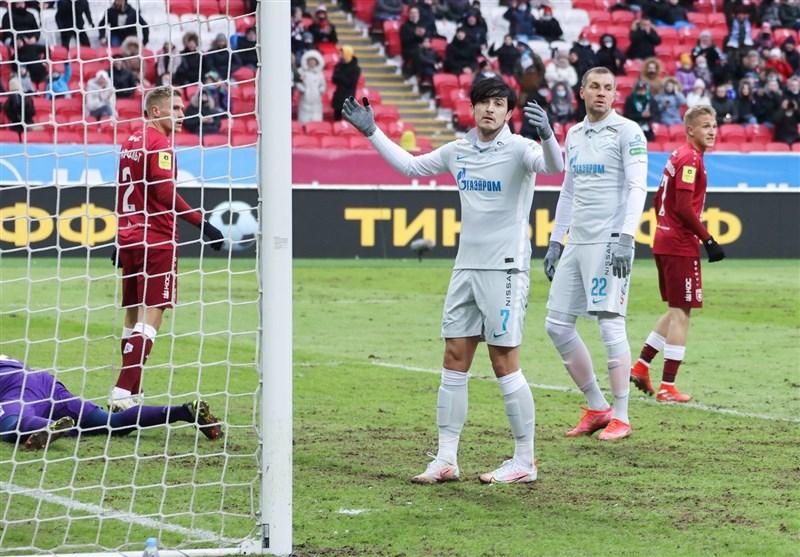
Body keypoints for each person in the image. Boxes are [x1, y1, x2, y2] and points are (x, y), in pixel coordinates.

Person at [342, 78, 564, 483]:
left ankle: (524, 460)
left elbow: (554, 167)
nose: (490, 109)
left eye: (498, 103)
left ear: (508, 112)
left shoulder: (520, 149)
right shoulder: (458, 150)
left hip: (505, 269)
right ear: (472, 107)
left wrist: (548, 135)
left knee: (503, 361)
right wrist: (372, 131)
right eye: (484, 102)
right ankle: (446, 459)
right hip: (466, 268)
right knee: (454, 357)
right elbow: (411, 167)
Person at [542, 66, 648, 442]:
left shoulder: (628, 132)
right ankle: (597, 406)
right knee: (556, 324)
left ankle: (622, 415)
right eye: (595, 87)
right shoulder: (573, 134)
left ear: (615, 94)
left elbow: (637, 187)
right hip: (577, 242)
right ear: (582, 92)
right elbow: (569, 190)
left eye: (608, 88)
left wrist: (626, 236)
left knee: (609, 323)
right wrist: (556, 240)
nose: (601, 93)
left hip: (610, 241)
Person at [109, 86, 224, 411]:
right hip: (157, 240)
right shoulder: (160, 144)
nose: (182, 114)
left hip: (131, 238)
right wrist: (202, 223)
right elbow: (162, 193)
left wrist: (120, 235)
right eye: (175, 108)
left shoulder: (130, 142)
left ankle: (133, 392)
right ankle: (122, 391)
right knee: (153, 314)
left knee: (133, 315)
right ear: (156, 111)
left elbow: (126, 190)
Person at [630, 106, 725, 403]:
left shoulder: (678, 155)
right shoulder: (690, 159)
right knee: (682, 313)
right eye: (706, 126)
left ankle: (641, 366)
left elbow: (659, 198)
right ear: (690, 130)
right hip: (679, 244)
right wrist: (708, 239)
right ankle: (667, 386)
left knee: (676, 309)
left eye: (714, 125)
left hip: (665, 239)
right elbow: (683, 207)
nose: (712, 131)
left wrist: (665, 224)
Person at [0, 355, 222, 450]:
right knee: (111, 422)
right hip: (45, 382)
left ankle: (46, 427)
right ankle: (183, 412)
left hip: (15, 388)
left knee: (9, 423)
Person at [296, 49, 326, 124]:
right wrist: (303, 90)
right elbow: (297, 82)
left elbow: (323, 85)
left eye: (313, 60)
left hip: (316, 102)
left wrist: (320, 90)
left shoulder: (319, 73)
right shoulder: (301, 71)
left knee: (316, 123)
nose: (312, 62)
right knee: (304, 122)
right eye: (310, 60)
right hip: (305, 101)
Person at [331, 45, 360, 120]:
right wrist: (340, 77)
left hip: (348, 97)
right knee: (337, 118)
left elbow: (351, 83)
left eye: (342, 53)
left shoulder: (355, 68)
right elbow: (334, 79)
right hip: (338, 95)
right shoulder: (339, 65)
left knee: (347, 118)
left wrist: (340, 77)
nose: (340, 55)